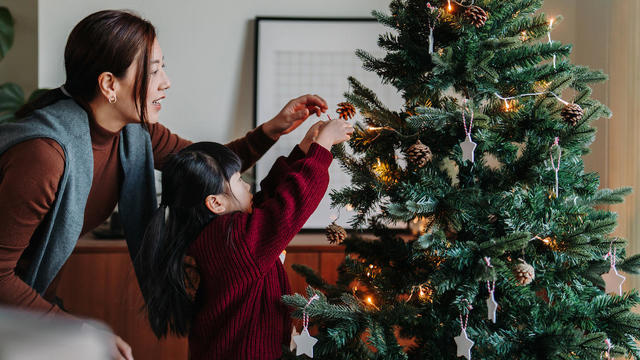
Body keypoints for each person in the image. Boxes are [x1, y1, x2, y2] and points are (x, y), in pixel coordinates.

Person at [0, 9, 328, 360]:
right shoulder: (45, 156)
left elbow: (206, 172)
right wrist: (73, 327)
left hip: (30, 301)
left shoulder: (133, 131)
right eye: (153, 70)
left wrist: (272, 129)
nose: (166, 81)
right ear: (110, 84)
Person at [136, 116, 353, 360]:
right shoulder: (237, 240)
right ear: (216, 203)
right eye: (239, 180)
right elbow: (290, 204)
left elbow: (267, 201)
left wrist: (302, 151)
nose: (248, 186)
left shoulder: (219, 233)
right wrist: (322, 147)